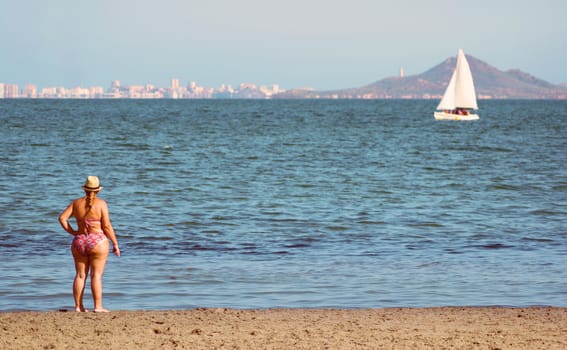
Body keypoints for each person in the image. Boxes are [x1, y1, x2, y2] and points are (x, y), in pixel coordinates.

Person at [59, 176, 120, 312]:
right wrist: (115, 243)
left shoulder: (76, 203)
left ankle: (78, 306)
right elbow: (107, 226)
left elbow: (62, 218)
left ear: (85, 189)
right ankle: (98, 307)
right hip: (98, 241)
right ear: (98, 190)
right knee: (96, 275)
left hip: (80, 240)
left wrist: (73, 232)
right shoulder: (101, 204)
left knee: (80, 275)